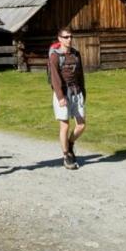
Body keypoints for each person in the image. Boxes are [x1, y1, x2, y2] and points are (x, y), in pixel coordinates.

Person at [48, 26, 86, 170]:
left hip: (77, 93)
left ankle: (70, 144)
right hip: (62, 94)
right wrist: (60, 97)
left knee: (81, 125)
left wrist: (83, 92)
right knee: (65, 126)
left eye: (70, 37)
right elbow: (55, 78)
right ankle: (66, 156)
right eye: (66, 37)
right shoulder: (55, 56)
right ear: (59, 39)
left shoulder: (76, 54)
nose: (69, 39)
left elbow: (80, 75)